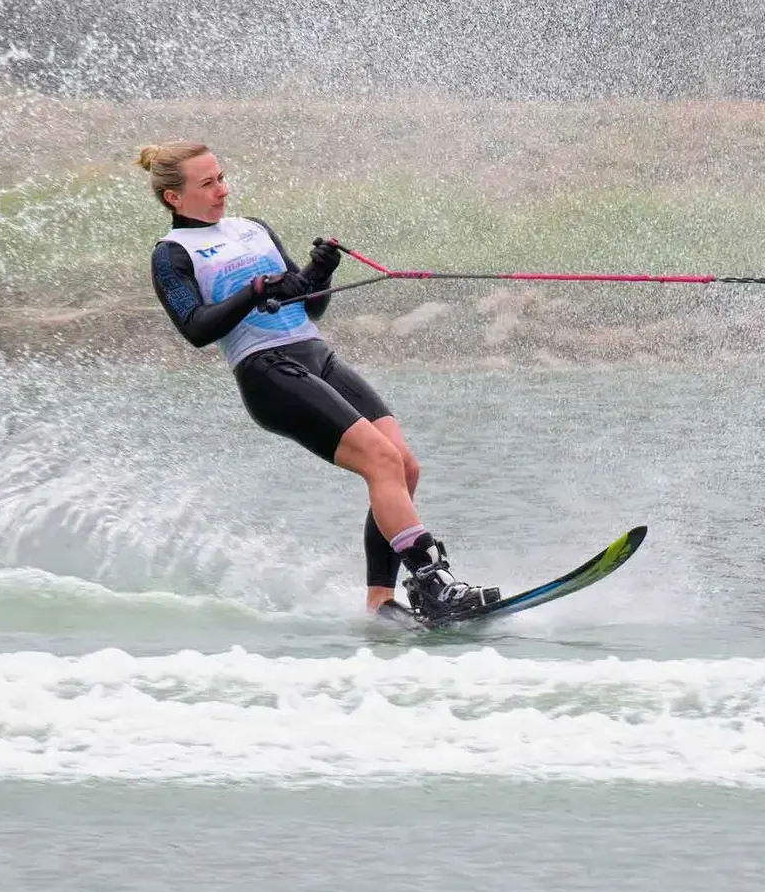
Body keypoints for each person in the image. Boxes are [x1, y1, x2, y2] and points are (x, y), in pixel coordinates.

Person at [136, 140, 497, 624]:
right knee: (381, 460)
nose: (222, 189)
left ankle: (380, 601)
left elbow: (308, 304)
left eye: (221, 177)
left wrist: (318, 272)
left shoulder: (253, 230)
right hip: (267, 372)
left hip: (315, 354)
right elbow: (197, 328)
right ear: (174, 198)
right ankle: (435, 583)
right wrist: (254, 291)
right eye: (208, 183)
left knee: (404, 467)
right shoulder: (172, 254)